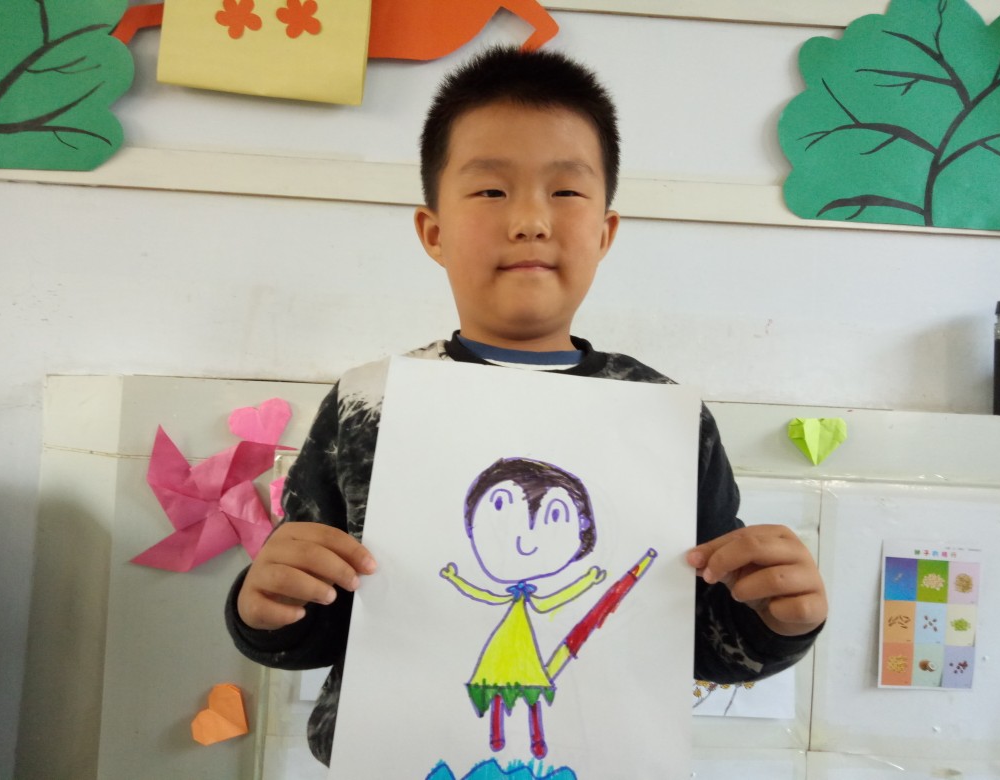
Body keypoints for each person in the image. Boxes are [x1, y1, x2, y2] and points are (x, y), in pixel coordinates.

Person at [225, 45, 828, 766]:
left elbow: (699, 639)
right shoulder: (368, 404)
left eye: (566, 192)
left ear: (605, 232)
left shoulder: (664, 418)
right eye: (490, 191)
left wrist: (777, 622)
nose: (531, 220)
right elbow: (316, 617)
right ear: (434, 232)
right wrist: (264, 608)